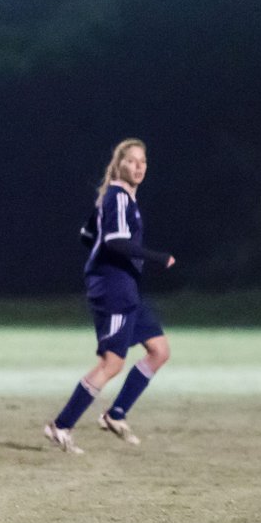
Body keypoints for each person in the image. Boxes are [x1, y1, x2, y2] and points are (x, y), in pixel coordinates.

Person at [44, 139, 175, 454]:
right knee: (112, 363)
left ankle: (116, 414)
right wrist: (156, 258)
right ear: (119, 165)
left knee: (159, 350)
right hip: (114, 288)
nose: (139, 167)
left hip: (125, 285)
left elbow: (88, 234)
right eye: (132, 161)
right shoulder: (117, 197)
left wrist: (106, 257)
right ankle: (60, 425)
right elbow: (115, 241)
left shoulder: (120, 198)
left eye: (143, 161)